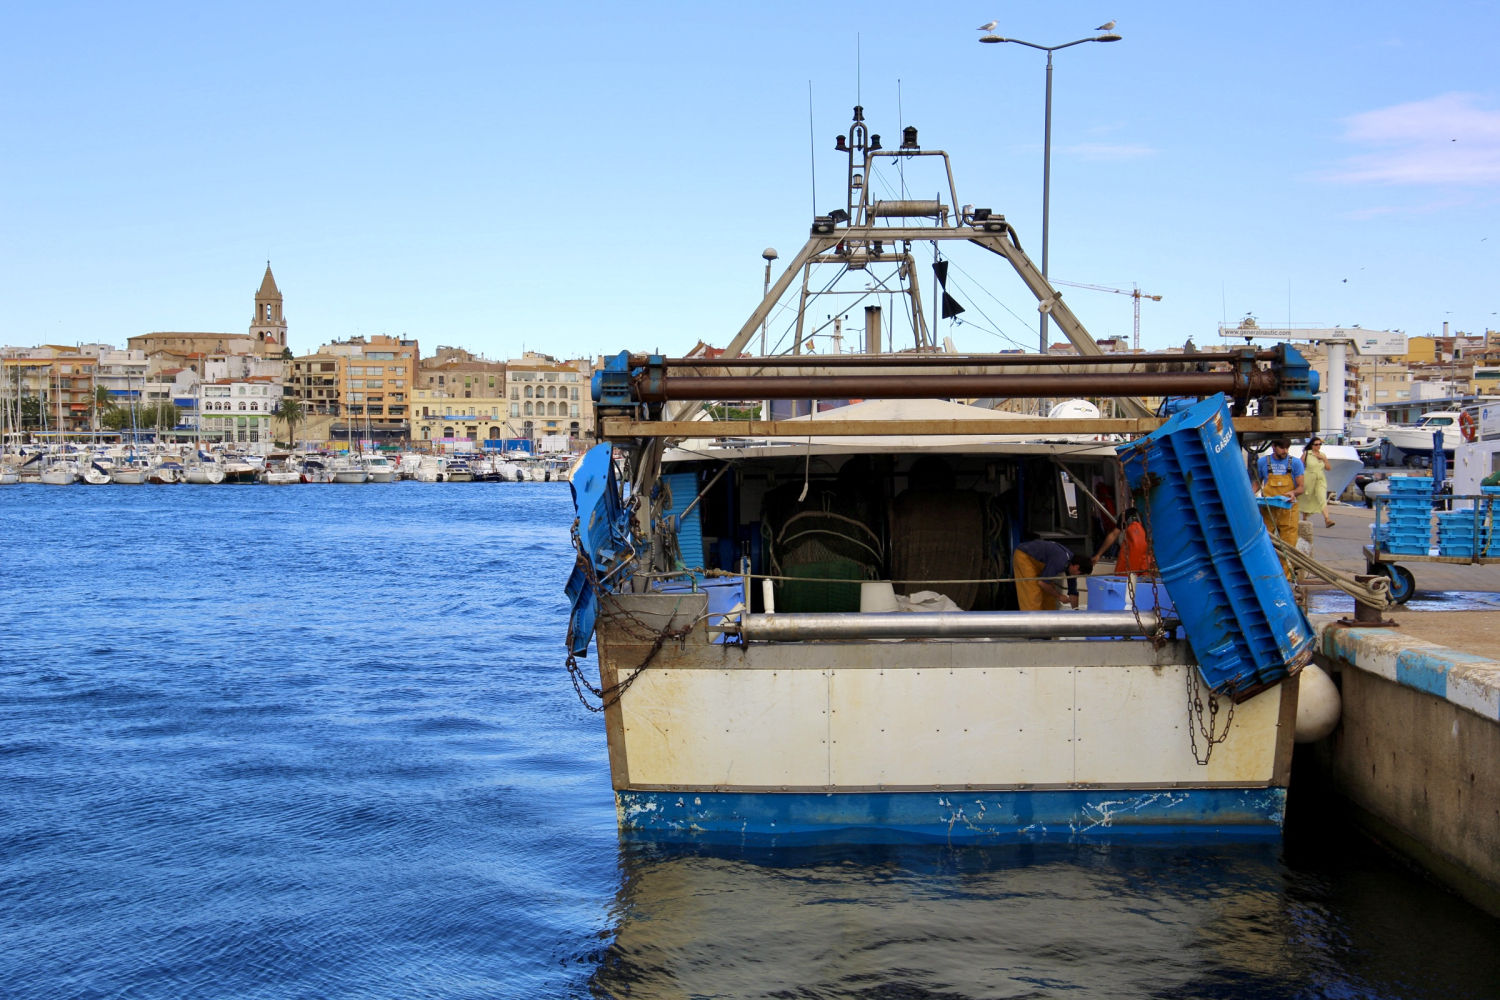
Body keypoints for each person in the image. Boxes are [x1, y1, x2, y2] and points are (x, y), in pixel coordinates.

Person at [1253, 438, 1305, 578]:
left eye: (1287, 448)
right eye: (1282, 448)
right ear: (1273, 447)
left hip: (1288, 509)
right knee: (1264, 541)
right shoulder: (1263, 462)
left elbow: (1301, 487)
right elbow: (1257, 483)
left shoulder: (1295, 463)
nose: (1285, 451)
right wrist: (1251, 496)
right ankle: (1265, 574)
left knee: (1288, 544)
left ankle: (1286, 578)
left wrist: (1293, 493)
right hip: (1268, 508)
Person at [1013, 538, 1093, 611]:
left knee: (1049, 595)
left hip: (1040, 562)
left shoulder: (1071, 563)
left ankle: (1048, 622)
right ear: (1076, 567)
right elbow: (1043, 583)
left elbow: (1073, 592)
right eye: (1080, 573)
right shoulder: (1060, 561)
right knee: (1033, 595)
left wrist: (1076, 612)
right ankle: (1032, 623)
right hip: (1025, 556)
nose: (1078, 575)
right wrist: (1059, 596)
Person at [1093, 507, 1155, 575]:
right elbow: (1113, 535)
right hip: (1142, 552)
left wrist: (1098, 554)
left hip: (1144, 552)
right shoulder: (1128, 514)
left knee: (1125, 577)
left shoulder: (1155, 512)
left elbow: (1113, 535)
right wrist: (1099, 554)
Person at [1298, 438, 1336, 529]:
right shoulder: (1307, 454)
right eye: (1316, 444)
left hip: (1320, 479)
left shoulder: (1322, 455)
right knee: (1307, 498)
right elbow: (1299, 465)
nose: (1318, 446)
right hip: (1308, 478)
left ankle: (1327, 519)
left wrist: (1324, 459)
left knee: (1322, 497)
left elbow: (1328, 468)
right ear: (1312, 445)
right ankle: (1304, 517)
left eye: (1319, 444)